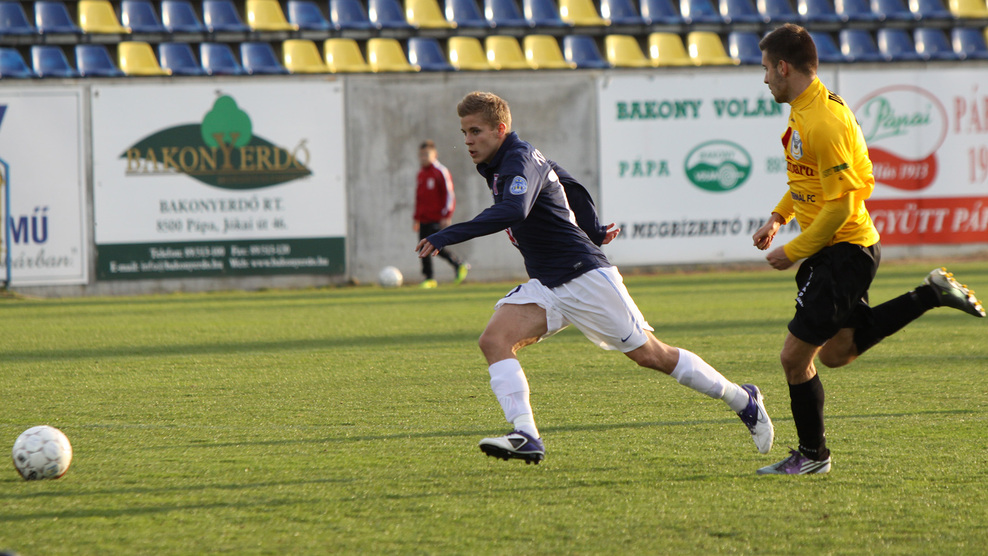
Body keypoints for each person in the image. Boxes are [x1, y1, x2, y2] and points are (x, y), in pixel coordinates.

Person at [415, 91, 774, 464]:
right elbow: (567, 184)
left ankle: (742, 399)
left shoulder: (518, 158)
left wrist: (446, 235)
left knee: (651, 354)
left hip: (583, 276)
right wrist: (594, 228)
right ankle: (526, 435)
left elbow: (515, 209)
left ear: (500, 129)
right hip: (548, 284)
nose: (468, 141)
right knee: (494, 340)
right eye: (464, 133)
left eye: (475, 131)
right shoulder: (507, 161)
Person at [752, 24, 985, 475]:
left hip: (844, 251)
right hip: (836, 251)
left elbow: (841, 206)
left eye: (765, 69)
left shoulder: (824, 120)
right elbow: (807, 180)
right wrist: (779, 217)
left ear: (783, 67)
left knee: (794, 358)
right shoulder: (806, 109)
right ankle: (931, 293)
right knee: (837, 353)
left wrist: (794, 250)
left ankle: (814, 456)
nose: (763, 79)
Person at [414, 140, 469, 289]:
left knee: (433, 245)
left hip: (436, 218)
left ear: (435, 155)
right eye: (421, 155)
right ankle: (429, 278)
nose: (423, 158)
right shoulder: (421, 174)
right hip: (424, 218)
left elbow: (449, 195)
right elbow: (419, 198)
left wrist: (447, 215)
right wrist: (416, 218)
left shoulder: (440, 172)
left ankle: (458, 264)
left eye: (426, 154)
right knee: (423, 247)